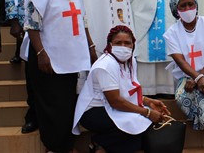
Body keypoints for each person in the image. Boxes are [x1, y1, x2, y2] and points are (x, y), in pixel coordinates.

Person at [25, 0, 96, 153]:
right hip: (47, 58)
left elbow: (83, 22)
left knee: (68, 105)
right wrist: (41, 54)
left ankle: (67, 145)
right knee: (52, 107)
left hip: (71, 57)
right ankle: (55, 147)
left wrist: (91, 46)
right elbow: (32, 26)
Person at [73, 25, 170, 153]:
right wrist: (147, 112)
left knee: (139, 121)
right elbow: (116, 101)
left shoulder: (131, 62)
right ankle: (100, 142)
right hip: (93, 111)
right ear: (110, 45)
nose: (123, 46)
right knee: (135, 120)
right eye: (118, 43)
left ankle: (101, 146)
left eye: (127, 43)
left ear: (133, 45)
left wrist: (149, 102)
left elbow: (128, 91)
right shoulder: (106, 65)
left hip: (112, 106)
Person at [5, 0, 56, 134]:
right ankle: (32, 115)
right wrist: (14, 19)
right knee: (33, 70)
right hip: (29, 17)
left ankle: (56, 115)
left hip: (57, 17)